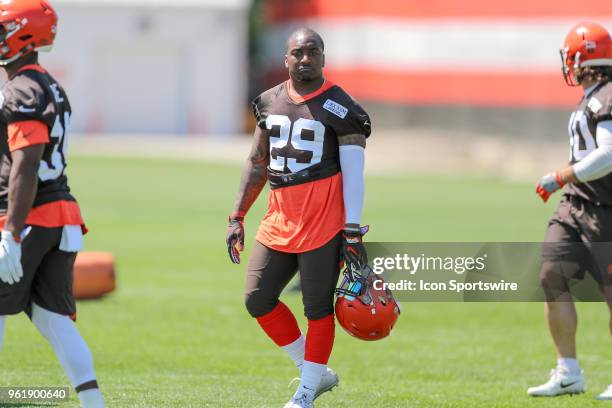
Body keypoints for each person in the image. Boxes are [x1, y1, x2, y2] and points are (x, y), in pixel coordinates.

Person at [226, 27, 371, 408]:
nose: (305, 59)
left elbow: (354, 172)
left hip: (323, 220)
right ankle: (315, 372)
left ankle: (305, 393)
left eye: (313, 52)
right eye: (298, 53)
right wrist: (237, 215)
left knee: (317, 307)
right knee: (257, 299)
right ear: (285, 58)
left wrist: (351, 229)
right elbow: (257, 162)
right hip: (279, 218)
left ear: (323, 57)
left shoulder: (341, 107)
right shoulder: (268, 101)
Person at [0, 1, 105, 407]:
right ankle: (93, 402)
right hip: (59, 215)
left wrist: (11, 229)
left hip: (28, 216)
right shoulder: (44, 83)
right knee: (51, 318)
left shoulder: (21, 89)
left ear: (23, 35)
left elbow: (25, 165)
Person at [532, 21, 612, 400]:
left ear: (581, 57)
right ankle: (568, 371)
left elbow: (609, 155)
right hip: (575, 205)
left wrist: (561, 175)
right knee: (551, 275)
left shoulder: (607, 96)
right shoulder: (593, 95)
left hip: (606, 209)